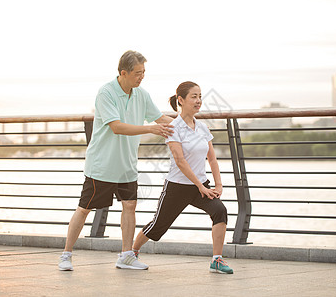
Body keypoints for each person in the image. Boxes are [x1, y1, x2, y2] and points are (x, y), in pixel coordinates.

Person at [58, 50, 174, 271]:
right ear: (124, 72)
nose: (142, 77)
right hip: (102, 165)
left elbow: (160, 118)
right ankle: (66, 255)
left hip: (126, 165)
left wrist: (189, 127)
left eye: (144, 72)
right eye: (138, 73)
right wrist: (150, 128)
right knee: (84, 209)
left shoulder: (142, 94)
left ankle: (126, 255)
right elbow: (117, 126)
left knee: (130, 206)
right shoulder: (106, 93)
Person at [132, 81, 233, 274]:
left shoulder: (203, 128)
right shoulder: (173, 127)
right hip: (177, 187)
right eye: (194, 97)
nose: (198, 101)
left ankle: (217, 260)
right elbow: (180, 160)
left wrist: (218, 184)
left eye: (200, 96)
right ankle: (131, 253)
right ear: (181, 100)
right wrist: (200, 186)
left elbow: (212, 158)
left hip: (200, 186)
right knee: (157, 226)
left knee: (220, 211)